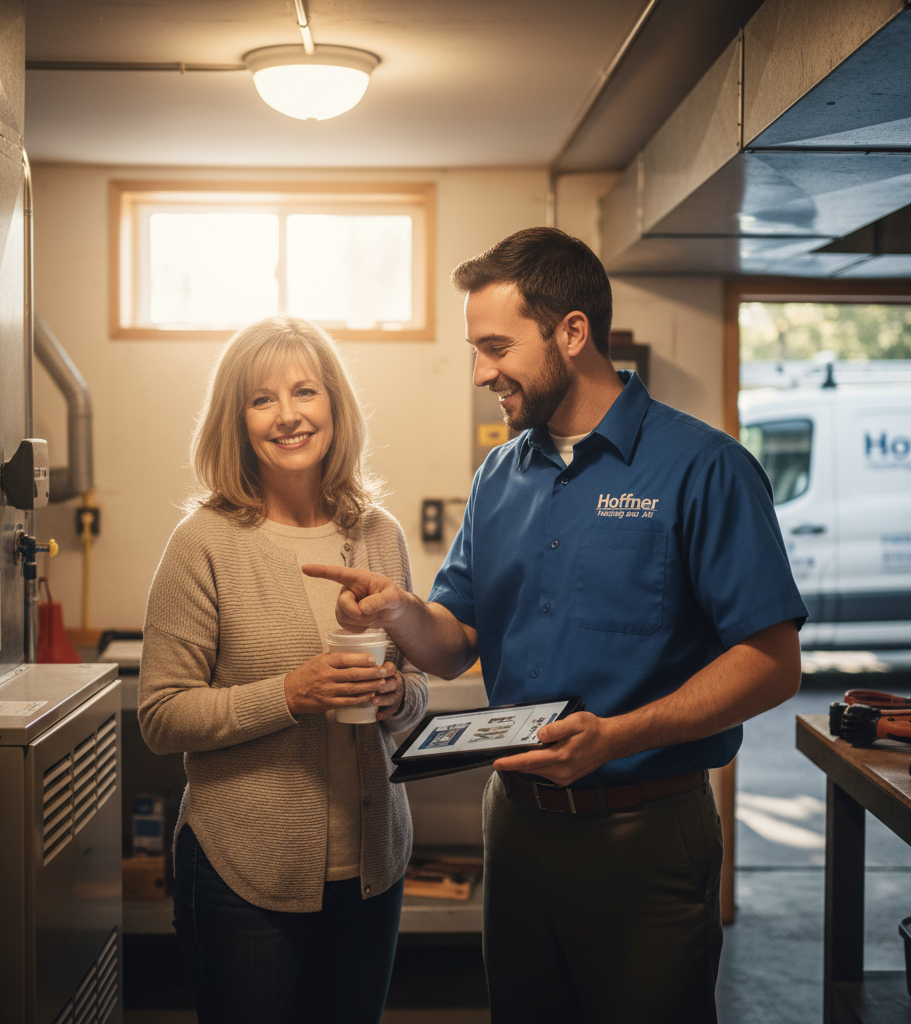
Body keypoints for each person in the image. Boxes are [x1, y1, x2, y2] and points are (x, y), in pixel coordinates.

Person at [303, 227, 808, 1024]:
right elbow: (453, 641)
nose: (480, 372)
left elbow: (773, 663)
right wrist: (399, 612)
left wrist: (618, 736)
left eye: (496, 346)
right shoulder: (501, 474)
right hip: (517, 825)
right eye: (475, 349)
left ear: (572, 332)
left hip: (644, 831)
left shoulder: (704, 468)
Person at [139, 316, 429, 1024]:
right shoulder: (203, 542)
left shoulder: (378, 533)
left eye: (306, 391)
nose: (290, 415)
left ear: (336, 404)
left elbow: (418, 685)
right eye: (262, 399)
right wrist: (290, 695)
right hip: (244, 871)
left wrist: (398, 696)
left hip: (371, 868)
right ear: (236, 421)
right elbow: (161, 713)